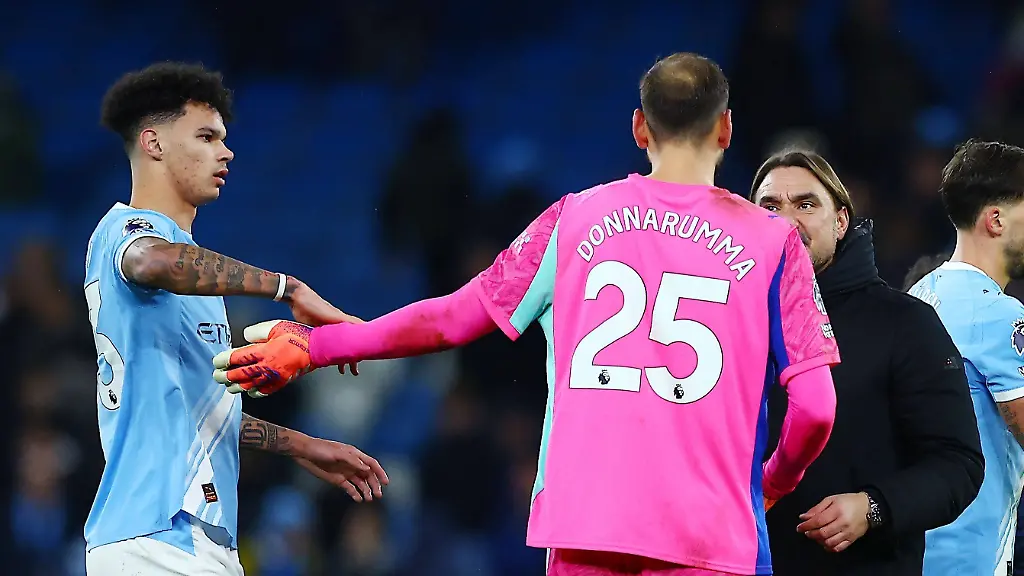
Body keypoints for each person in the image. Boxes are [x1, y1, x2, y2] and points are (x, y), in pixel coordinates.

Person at [214, 52, 839, 576]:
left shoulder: (572, 220)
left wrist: (317, 347)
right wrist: (771, 483)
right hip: (711, 534)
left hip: (585, 523)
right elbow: (815, 409)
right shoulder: (773, 243)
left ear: (639, 129)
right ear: (726, 129)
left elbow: (452, 317)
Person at [83, 62, 389, 576]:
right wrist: (285, 287)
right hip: (154, 535)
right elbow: (152, 261)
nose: (225, 153)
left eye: (223, 139)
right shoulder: (126, 232)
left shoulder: (193, 271)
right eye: (205, 137)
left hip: (196, 538)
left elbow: (195, 413)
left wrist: (300, 445)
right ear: (154, 143)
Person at [750, 149, 984, 575]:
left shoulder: (905, 322)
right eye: (769, 206)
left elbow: (958, 465)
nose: (785, 221)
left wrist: (874, 506)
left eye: (805, 204)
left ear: (841, 222)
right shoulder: (726, 323)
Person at [909, 139, 1024, 576]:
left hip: (917, 547)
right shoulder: (997, 314)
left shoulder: (919, 296)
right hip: (968, 556)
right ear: (995, 219)